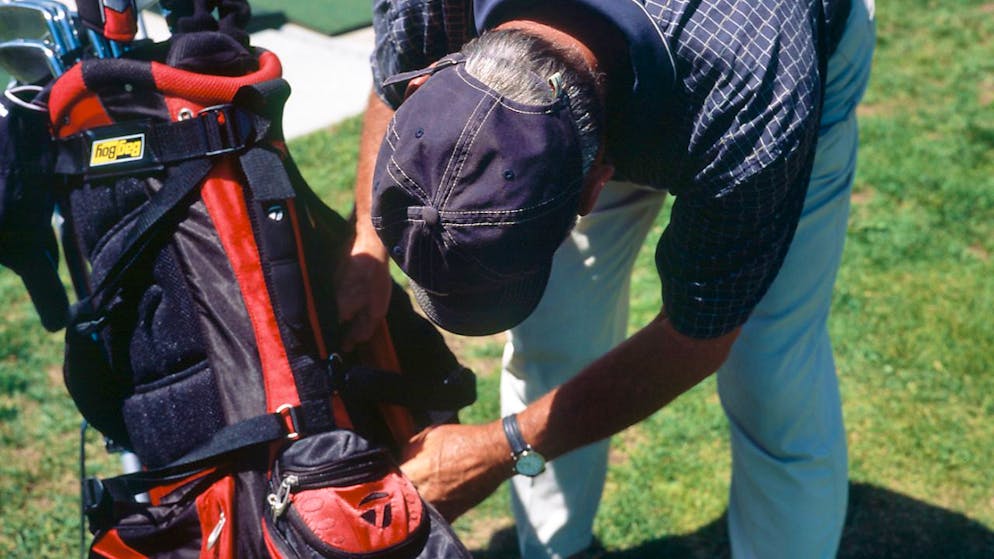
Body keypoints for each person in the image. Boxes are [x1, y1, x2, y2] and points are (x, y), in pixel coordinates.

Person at [335, 0, 876, 557]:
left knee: (772, 375)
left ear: (595, 186)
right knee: (555, 337)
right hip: (640, 76)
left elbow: (698, 334)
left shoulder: (756, 94)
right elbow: (394, 71)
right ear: (425, 82)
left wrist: (500, 449)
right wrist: (367, 245)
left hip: (775, 67)